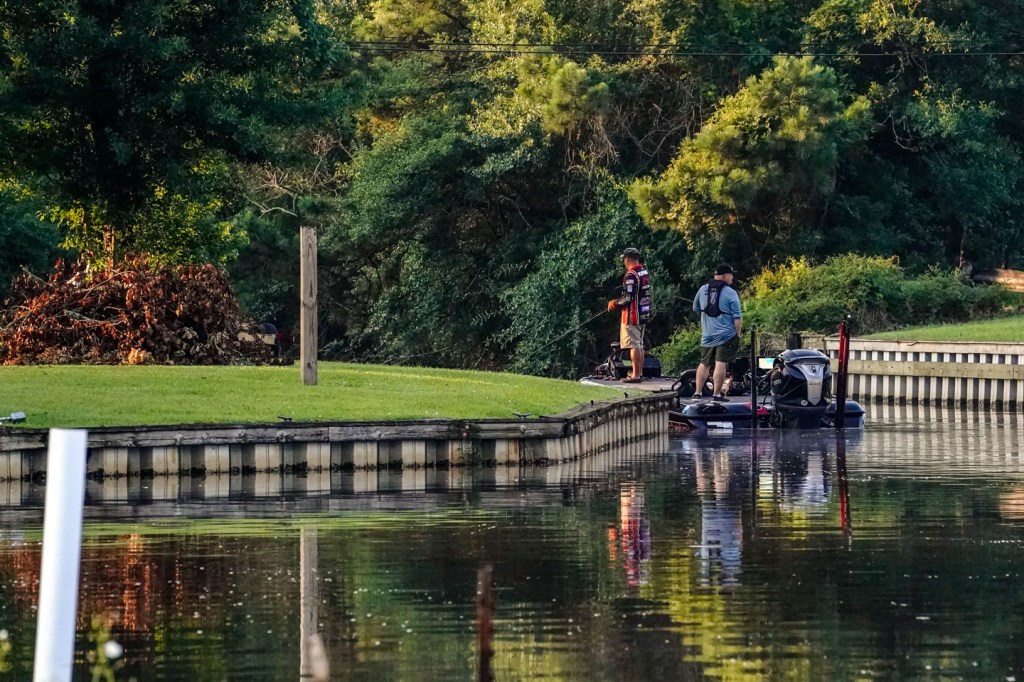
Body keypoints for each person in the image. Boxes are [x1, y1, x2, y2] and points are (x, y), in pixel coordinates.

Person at [692, 264, 742, 401]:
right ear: (725, 276)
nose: (732, 277)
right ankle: (716, 394)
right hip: (726, 335)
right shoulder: (731, 292)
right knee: (721, 362)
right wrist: (737, 335)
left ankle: (697, 393)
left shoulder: (703, 289)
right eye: (731, 275)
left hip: (707, 335)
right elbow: (737, 318)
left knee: (704, 363)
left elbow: (696, 308)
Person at [607, 248, 652, 383]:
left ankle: (636, 375)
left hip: (632, 315)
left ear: (627, 259)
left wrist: (615, 303)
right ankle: (639, 372)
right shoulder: (643, 272)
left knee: (633, 345)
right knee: (639, 344)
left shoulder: (631, 275)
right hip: (643, 312)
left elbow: (628, 297)